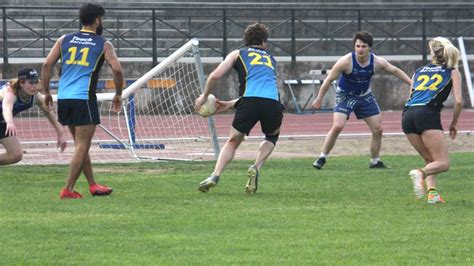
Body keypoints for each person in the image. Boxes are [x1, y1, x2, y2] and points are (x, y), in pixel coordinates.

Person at [42, 3, 124, 199]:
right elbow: (118, 70)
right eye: (101, 19)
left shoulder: (64, 40)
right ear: (97, 20)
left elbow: (47, 64)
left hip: (64, 97)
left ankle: (93, 184)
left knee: (81, 144)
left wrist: (45, 92)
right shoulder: (103, 44)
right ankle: (68, 188)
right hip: (84, 98)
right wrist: (118, 93)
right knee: (82, 144)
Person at [195, 23, 284, 194]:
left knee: (233, 141)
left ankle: (215, 175)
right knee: (272, 136)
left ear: (245, 40)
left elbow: (215, 75)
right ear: (264, 43)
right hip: (273, 103)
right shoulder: (271, 59)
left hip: (249, 102)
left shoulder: (238, 53)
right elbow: (262, 92)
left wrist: (205, 96)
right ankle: (256, 166)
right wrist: (229, 104)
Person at [311, 31, 412, 169]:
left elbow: (395, 71)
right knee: (337, 126)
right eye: (357, 46)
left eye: (363, 46)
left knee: (378, 129)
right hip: (345, 96)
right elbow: (329, 80)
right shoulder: (346, 61)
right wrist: (319, 99)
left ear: (369, 47)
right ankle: (322, 157)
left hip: (365, 96)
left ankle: (375, 161)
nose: (360, 49)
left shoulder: (377, 62)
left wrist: (412, 83)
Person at [403, 37, 462, 204]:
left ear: (433, 53)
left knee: (431, 160)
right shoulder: (452, 71)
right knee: (443, 163)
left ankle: (432, 193)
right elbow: (458, 101)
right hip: (426, 114)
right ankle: (420, 173)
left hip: (407, 115)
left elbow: (411, 96)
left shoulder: (418, 71)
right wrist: (454, 123)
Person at [0, 68, 67, 165]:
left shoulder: (36, 97)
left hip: (2, 123)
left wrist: (61, 133)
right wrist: (10, 122)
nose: (34, 86)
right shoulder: (11, 92)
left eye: (36, 82)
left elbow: (48, 112)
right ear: (22, 83)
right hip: (6, 121)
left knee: (15, 155)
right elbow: (7, 108)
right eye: (31, 83)